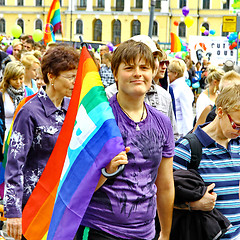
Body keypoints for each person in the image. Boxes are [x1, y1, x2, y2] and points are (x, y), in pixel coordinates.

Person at [76, 40, 175, 240]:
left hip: (145, 232)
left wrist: (165, 232)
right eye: (129, 68)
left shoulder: (162, 122)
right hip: (99, 230)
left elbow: (164, 185)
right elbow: (73, 185)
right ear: (115, 73)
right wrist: (106, 171)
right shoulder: (98, 117)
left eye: (144, 68)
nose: (138, 73)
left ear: (152, 73)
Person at [4, 44, 80, 240]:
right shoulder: (30, 112)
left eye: (76, 77)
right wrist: (13, 212)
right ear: (51, 76)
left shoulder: (73, 107)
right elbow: (15, 164)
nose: (74, 82)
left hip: (63, 204)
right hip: (35, 206)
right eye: (70, 77)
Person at [173, 84, 240, 240]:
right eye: (237, 125)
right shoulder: (187, 148)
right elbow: (159, 197)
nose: (239, 131)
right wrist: (192, 205)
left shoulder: (237, 144)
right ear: (220, 112)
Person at [105, 35, 179, 140]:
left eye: (154, 58)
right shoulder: (108, 95)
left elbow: (172, 136)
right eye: (130, 67)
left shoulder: (164, 96)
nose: (138, 73)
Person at [0, 61, 34, 136]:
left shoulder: (29, 92)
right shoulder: (2, 93)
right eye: (14, 79)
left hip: (24, 134)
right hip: (5, 135)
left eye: (21, 78)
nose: (18, 82)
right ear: (8, 78)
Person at [168, 58, 194, 136]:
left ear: (175, 73)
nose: (167, 75)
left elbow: (187, 114)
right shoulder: (173, 87)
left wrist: (187, 136)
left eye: (168, 72)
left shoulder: (183, 89)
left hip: (180, 133)